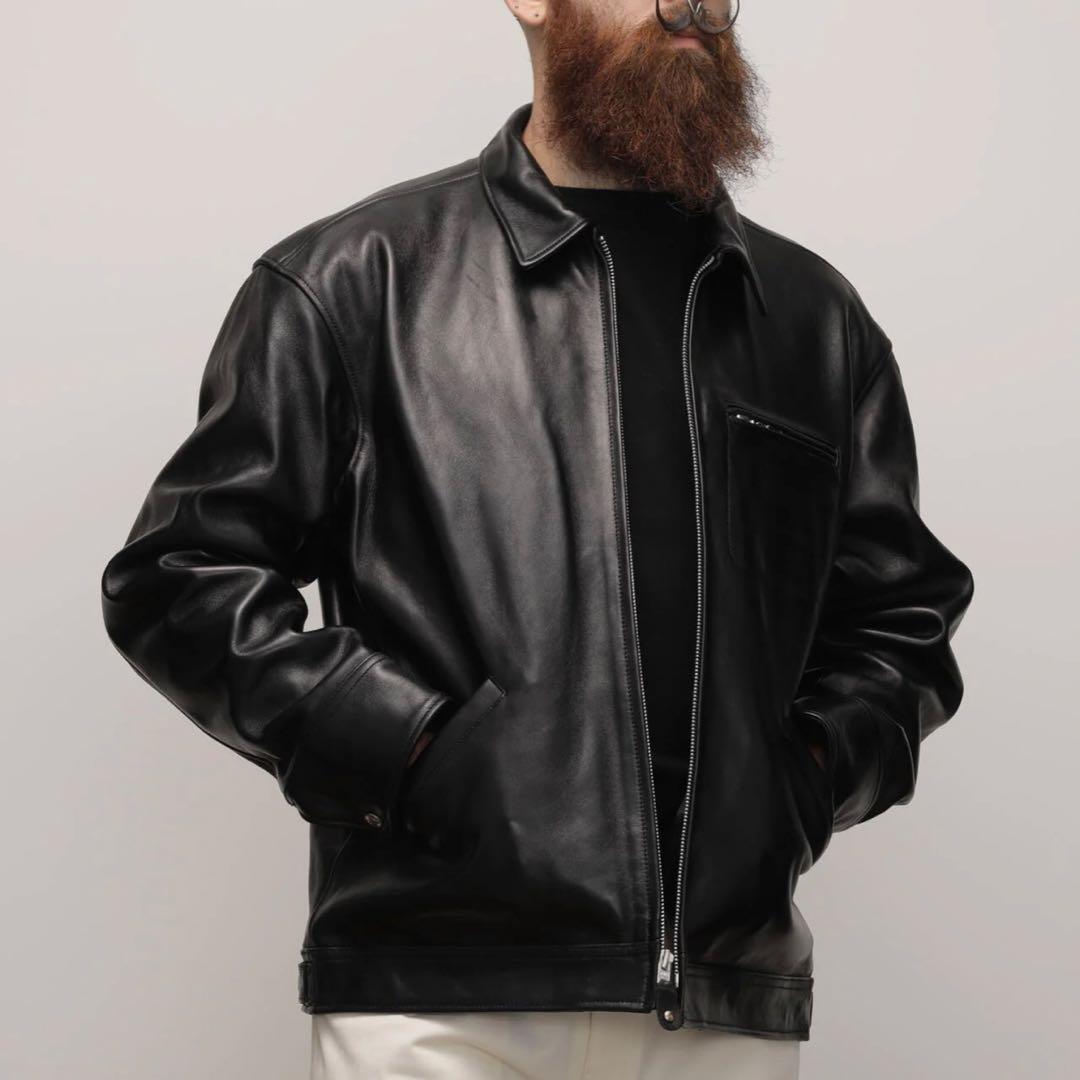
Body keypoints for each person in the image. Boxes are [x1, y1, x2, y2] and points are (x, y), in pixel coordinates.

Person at [100, 1, 975, 1076]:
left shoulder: (814, 320)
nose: (691, 3)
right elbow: (181, 576)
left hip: (721, 1008)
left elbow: (902, 621)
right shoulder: (353, 280)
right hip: (438, 1004)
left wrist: (799, 782)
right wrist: (414, 751)